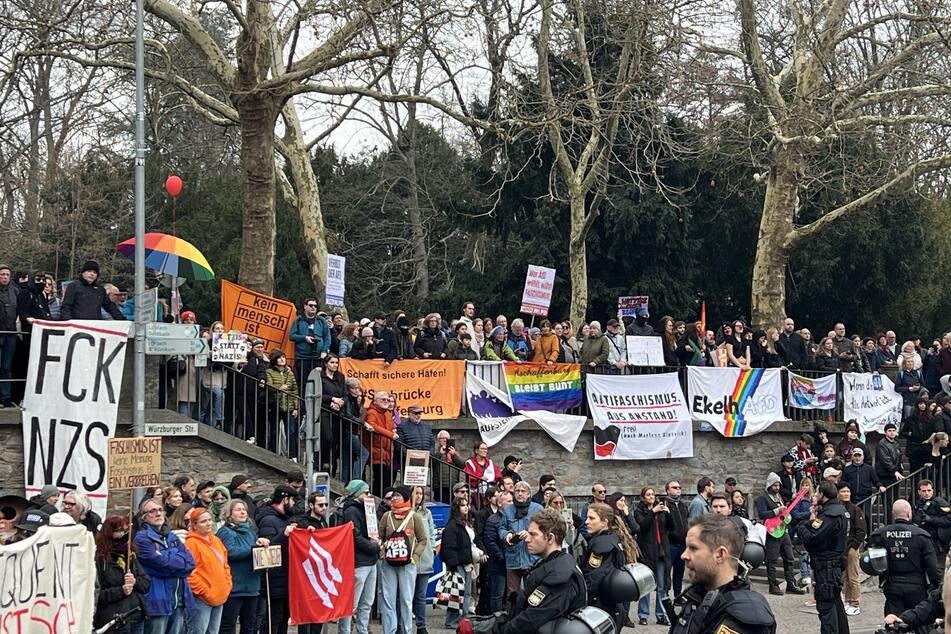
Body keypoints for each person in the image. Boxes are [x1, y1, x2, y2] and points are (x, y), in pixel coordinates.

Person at [668, 514, 777, 633]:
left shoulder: (744, 615)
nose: (684, 556)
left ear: (720, 555)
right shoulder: (698, 596)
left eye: (693, 548)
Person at [495, 508, 587, 634]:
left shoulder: (561, 574)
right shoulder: (550, 563)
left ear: (550, 538)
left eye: (533, 534)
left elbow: (532, 619)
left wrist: (499, 630)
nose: (527, 539)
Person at [868, 499, 941, 618]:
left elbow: (871, 560)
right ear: (909, 514)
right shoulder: (921, 535)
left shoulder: (880, 534)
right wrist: (937, 586)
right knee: (919, 622)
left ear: (893, 514)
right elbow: (931, 565)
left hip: (892, 584)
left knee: (894, 623)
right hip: (917, 585)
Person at [134, 498, 196, 634]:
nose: (158, 514)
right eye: (152, 511)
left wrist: (165, 558)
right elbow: (157, 563)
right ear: (144, 517)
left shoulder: (172, 537)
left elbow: (190, 563)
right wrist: (177, 562)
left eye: (160, 510)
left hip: (179, 601)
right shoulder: (142, 539)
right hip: (157, 601)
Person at [798, 481, 849, 634]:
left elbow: (814, 538)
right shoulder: (837, 510)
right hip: (831, 565)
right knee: (835, 604)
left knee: (826, 607)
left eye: (817, 492)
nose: (814, 495)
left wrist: (801, 528)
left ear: (823, 495)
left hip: (826, 566)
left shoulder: (830, 514)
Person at [579, 502, 638, 631]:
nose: (586, 522)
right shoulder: (612, 537)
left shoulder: (602, 544)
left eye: (592, 518)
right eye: (587, 518)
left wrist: (582, 603)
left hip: (602, 607)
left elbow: (594, 577)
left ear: (604, 522)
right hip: (612, 606)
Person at [378, 486, 428, 634]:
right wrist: (382, 552)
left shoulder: (414, 517)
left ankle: (407, 630)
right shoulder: (387, 516)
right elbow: (380, 537)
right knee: (388, 600)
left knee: (406, 601)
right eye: (393, 496)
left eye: (398, 496)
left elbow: (423, 539)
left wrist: (415, 557)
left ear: (406, 497)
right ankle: (390, 631)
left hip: (408, 564)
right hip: (389, 563)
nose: (394, 498)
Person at [216, 499, 269, 634]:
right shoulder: (225, 532)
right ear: (229, 513)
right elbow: (230, 552)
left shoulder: (250, 532)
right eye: (238, 509)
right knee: (228, 626)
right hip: (235, 587)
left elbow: (255, 551)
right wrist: (253, 549)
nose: (242, 512)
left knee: (249, 627)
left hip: (252, 587)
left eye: (244, 509)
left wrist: (262, 545)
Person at [94, 515, 151, 634]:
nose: (124, 535)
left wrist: (135, 581)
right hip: (114, 620)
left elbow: (146, 583)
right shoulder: (99, 558)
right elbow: (96, 594)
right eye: (119, 530)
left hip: (135, 616)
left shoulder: (130, 555)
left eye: (126, 531)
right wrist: (121, 591)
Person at [337, 480, 380, 634]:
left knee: (367, 602)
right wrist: (374, 547)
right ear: (357, 493)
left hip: (370, 560)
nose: (369, 495)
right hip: (359, 561)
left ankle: (362, 630)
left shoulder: (366, 508)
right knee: (352, 603)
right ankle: (345, 631)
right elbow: (355, 537)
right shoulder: (351, 511)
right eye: (365, 492)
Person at [255, 485, 298, 634]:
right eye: (292, 499)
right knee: (274, 618)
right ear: (285, 499)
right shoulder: (268, 520)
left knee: (283, 617)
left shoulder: (284, 519)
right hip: (274, 578)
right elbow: (266, 549)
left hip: (286, 577)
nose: (293, 503)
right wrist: (284, 534)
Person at [183, 507, 232, 634]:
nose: (209, 523)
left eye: (210, 520)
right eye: (203, 521)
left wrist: (227, 585)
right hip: (201, 599)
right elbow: (190, 574)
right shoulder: (191, 544)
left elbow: (225, 565)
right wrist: (205, 592)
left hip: (220, 595)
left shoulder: (216, 540)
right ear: (194, 525)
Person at [754, 472, 805, 595]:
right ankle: (773, 585)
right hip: (772, 532)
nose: (777, 488)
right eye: (774, 485)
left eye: (778, 485)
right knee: (772, 560)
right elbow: (762, 514)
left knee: (789, 558)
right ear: (769, 485)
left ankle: (791, 584)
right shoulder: (762, 498)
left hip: (783, 530)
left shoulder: (779, 497)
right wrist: (777, 510)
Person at [441, 496, 485, 629]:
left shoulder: (467, 523)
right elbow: (448, 547)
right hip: (458, 564)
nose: (466, 507)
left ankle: (462, 620)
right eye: (462, 505)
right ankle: (452, 621)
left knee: (465, 594)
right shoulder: (452, 525)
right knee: (457, 594)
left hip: (467, 562)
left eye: (467, 504)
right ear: (456, 508)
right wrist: (453, 565)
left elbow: (473, 540)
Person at [631, 486, 671, 625]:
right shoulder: (639, 511)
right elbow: (642, 526)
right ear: (643, 497)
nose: (652, 497)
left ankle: (661, 615)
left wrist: (668, 513)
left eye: (653, 494)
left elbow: (671, 528)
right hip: (647, 552)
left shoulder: (660, 509)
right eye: (648, 495)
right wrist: (653, 512)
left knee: (661, 586)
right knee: (646, 585)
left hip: (661, 551)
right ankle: (643, 615)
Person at [499, 481, 543, 605]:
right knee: (512, 594)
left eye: (523, 491)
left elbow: (544, 529)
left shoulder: (537, 508)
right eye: (517, 491)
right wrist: (506, 535)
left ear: (529, 494)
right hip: (514, 558)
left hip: (533, 558)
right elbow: (502, 528)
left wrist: (530, 534)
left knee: (534, 593)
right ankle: (511, 620)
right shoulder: (508, 509)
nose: (519, 493)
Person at [835, 481, 866, 617]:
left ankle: (855, 603)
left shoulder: (855, 509)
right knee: (844, 577)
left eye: (848, 491)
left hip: (852, 547)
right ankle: (847, 600)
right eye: (843, 491)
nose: (846, 494)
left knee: (853, 576)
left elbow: (861, 530)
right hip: (840, 547)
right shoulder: (836, 507)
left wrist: (853, 546)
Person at [409, 486, 436, 633]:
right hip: (410, 559)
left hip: (425, 559)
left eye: (420, 493)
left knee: (421, 595)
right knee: (407, 595)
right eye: (416, 493)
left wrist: (432, 550)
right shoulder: (408, 512)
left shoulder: (427, 513)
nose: (419, 496)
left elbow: (431, 533)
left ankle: (421, 625)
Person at [60, 260, 125, 320]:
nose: (92, 274)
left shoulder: (100, 290)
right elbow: (66, 307)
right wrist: (68, 322)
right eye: (89, 271)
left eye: (95, 272)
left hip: (94, 326)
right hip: (77, 325)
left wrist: (122, 320)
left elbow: (110, 307)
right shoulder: (73, 286)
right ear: (83, 273)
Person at [265, 349, 300, 459]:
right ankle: (273, 453)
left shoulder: (290, 373)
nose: (282, 359)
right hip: (275, 405)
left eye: (283, 357)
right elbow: (269, 386)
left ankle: (292, 455)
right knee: (274, 430)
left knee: (291, 431)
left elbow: (295, 390)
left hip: (289, 406)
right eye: (279, 357)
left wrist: (296, 407)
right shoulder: (269, 372)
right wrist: (280, 388)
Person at [363, 390, 399, 494]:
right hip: (376, 451)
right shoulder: (372, 412)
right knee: (379, 479)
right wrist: (390, 434)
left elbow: (391, 428)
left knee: (386, 480)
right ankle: (376, 499)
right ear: (375, 401)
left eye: (388, 400)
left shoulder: (387, 413)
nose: (386, 401)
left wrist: (392, 432)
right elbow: (372, 425)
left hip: (386, 452)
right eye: (383, 399)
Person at [483, 490, 512, 614]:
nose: (512, 504)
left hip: (512, 563)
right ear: (500, 503)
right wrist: (501, 557)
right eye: (509, 501)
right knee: (497, 595)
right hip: (498, 564)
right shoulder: (493, 520)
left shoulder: (513, 519)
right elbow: (490, 542)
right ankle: (496, 619)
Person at [290, 298, 331, 383]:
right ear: (305, 306)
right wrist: (304, 338)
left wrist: (324, 351)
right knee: (303, 382)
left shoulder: (322, 321)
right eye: (311, 305)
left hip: (318, 358)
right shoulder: (298, 320)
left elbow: (327, 338)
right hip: (302, 358)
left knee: (318, 382)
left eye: (315, 306)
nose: (313, 307)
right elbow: (292, 336)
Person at [911, 479, 951, 565]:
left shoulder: (939, 502)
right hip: (922, 543)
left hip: (936, 543)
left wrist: (931, 519)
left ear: (932, 490)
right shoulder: (917, 506)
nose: (927, 493)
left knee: (937, 572)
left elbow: (949, 519)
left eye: (929, 490)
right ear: (919, 492)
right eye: (924, 491)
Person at [318, 354, 346, 472]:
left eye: (336, 363)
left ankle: (333, 465)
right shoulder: (320, 376)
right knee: (327, 437)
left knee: (335, 439)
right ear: (326, 363)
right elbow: (318, 395)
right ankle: (325, 461)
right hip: (324, 410)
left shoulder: (340, 377)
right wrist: (332, 399)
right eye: (332, 363)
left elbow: (345, 394)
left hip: (337, 411)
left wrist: (340, 402)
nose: (335, 365)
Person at [0, 265, 18, 408]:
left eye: (7, 274)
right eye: (2, 274)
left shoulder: (15, 291)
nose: (5, 277)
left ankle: (5, 397)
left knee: (6, 367)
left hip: (10, 333)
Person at [464, 441, 498, 509]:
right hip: (476, 491)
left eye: (486, 449)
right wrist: (480, 479)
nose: (485, 451)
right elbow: (470, 478)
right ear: (476, 451)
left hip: (489, 489)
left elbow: (497, 474)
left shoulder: (490, 462)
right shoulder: (470, 463)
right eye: (482, 449)